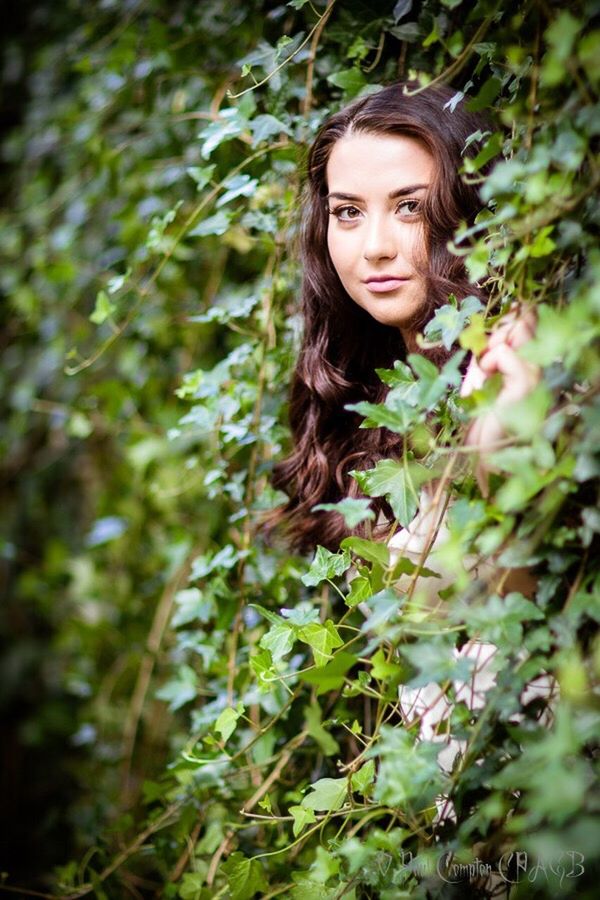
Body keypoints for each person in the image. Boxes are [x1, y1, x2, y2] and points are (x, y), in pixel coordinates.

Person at [271, 81, 539, 559]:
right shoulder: (363, 402)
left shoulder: (512, 369)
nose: (376, 247)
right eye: (348, 212)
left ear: (471, 209)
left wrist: (493, 451)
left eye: (410, 207)